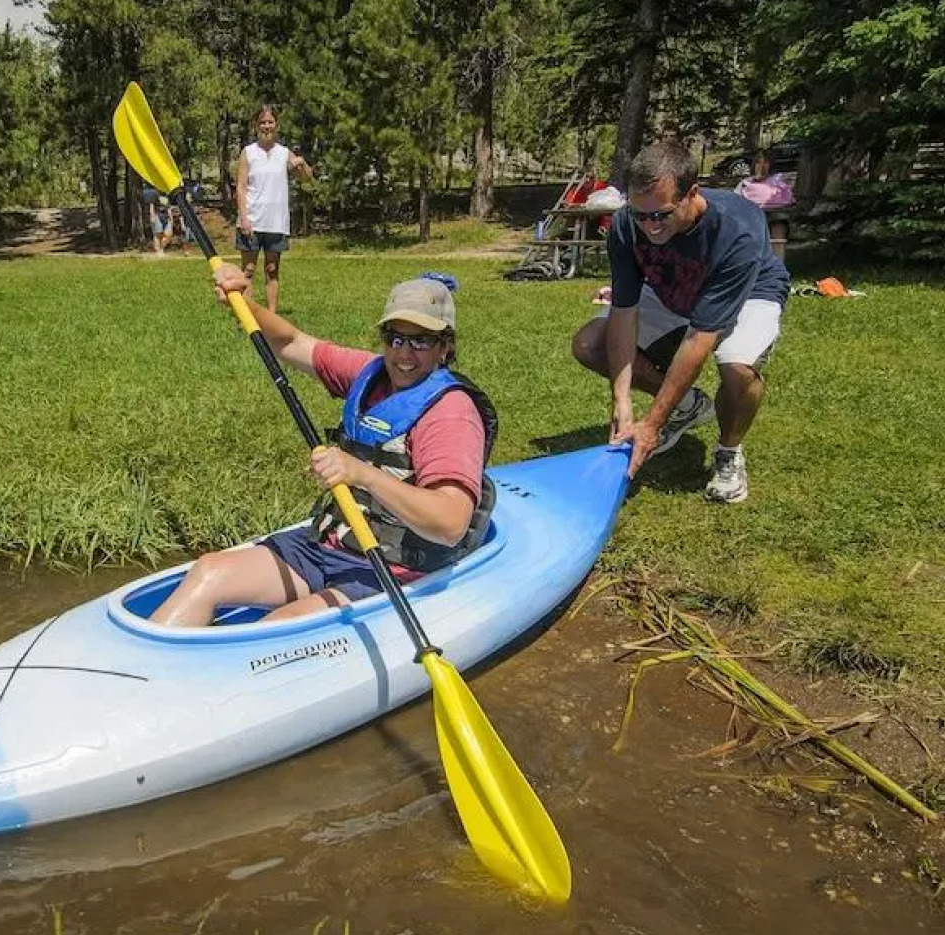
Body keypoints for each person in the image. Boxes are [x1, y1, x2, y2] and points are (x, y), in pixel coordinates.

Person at [149, 270, 497, 627]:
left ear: (445, 346)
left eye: (421, 341)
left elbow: (451, 522)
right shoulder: (370, 373)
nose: (404, 354)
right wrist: (243, 301)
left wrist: (363, 474)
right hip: (330, 544)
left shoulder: (450, 414)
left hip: (393, 567)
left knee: (280, 625)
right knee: (208, 572)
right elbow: (291, 342)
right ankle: (149, 674)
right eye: (395, 338)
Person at [569, 139, 790, 503]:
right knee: (590, 343)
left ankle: (728, 452)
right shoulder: (628, 224)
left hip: (751, 291)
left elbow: (699, 338)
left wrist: (652, 424)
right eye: (641, 215)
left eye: (661, 215)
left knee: (737, 368)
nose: (650, 227)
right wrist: (620, 399)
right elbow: (624, 310)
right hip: (676, 286)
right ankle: (688, 406)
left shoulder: (737, 227)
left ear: (692, 194)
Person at [235, 105, 313, 314]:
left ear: (276, 125)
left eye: (270, 122)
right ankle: (248, 316)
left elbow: (306, 178)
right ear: (256, 125)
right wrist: (244, 218)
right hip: (252, 219)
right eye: (262, 122)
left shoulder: (284, 153)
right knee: (248, 270)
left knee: (272, 270)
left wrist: (302, 164)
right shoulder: (248, 153)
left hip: (276, 222)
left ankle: (271, 316)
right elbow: (241, 188)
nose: (266, 126)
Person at [734, 149, 795, 256]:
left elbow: (790, 200)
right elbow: (734, 200)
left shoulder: (778, 181)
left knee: (778, 232)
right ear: (754, 165)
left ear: (770, 165)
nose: (762, 166)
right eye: (758, 162)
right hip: (752, 217)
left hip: (777, 216)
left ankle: (778, 265)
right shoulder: (746, 183)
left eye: (765, 162)